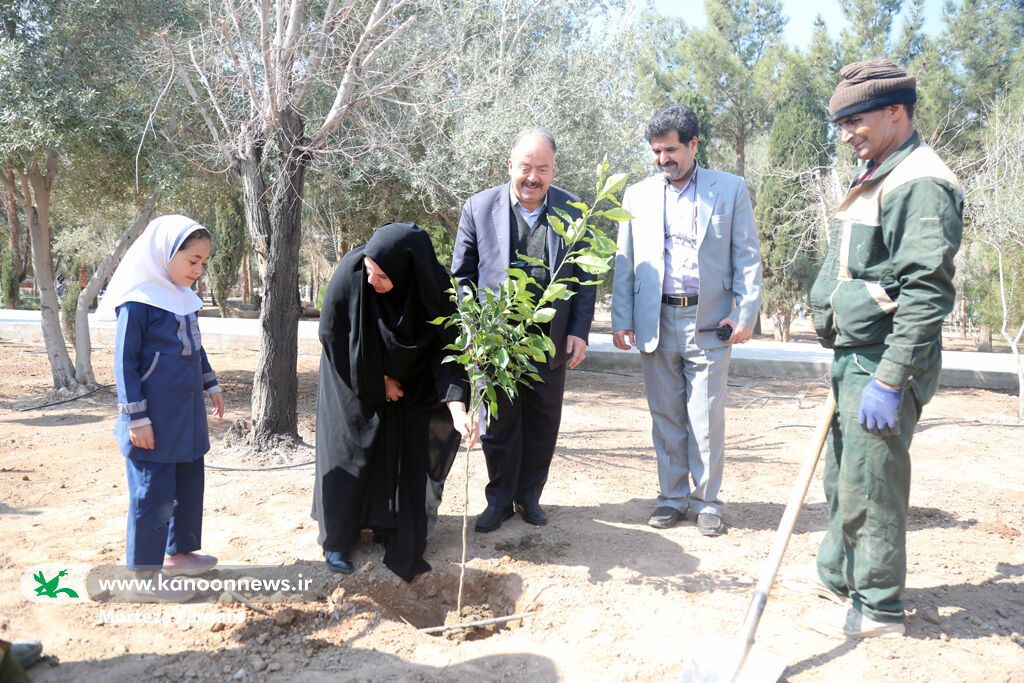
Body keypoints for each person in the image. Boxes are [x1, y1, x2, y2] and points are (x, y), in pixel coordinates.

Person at [805, 59, 963, 639]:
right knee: (846, 479)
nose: (847, 135)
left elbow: (926, 291)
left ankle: (877, 610)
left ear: (896, 111)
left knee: (872, 485)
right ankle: (848, 585)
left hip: (881, 360)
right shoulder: (881, 168)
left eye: (856, 121)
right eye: (841, 124)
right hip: (857, 356)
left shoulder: (920, 180)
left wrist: (892, 377)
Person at [611, 105, 762, 537]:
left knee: (706, 417)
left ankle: (707, 502)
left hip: (710, 321)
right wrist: (622, 318)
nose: (663, 159)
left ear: (694, 144)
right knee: (666, 417)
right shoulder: (637, 196)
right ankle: (672, 499)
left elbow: (747, 256)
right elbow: (626, 262)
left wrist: (745, 312)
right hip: (655, 319)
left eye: (671, 150)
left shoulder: (730, 189)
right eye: (657, 152)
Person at [451, 127, 596, 533]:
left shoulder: (573, 209)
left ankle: (529, 496)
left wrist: (580, 330)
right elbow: (462, 276)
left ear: (554, 170)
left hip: (549, 340)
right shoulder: (478, 208)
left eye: (543, 169)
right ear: (510, 166)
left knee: (542, 421)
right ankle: (498, 500)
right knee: (498, 424)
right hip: (497, 341)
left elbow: (585, 278)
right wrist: (473, 327)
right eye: (526, 168)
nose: (533, 177)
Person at [313, 222, 474, 582]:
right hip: (349, 373)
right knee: (349, 451)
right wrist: (377, 382)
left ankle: (388, 526)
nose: (373, 281)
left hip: (410, 380)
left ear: (407, 272)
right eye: (370, 271)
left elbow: (447, 353)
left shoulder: (435, 289)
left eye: (383, 276)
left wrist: (457, 407)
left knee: (397, 449)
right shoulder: (353, 272)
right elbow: (331, 334)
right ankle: (337, 540)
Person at [97, 214, 225, 602]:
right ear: (165, 254)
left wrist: (211, 382)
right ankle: (144, 576)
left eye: (203, 263)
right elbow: (125, 363)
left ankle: (179, 553)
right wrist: (136, 417)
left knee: (187, 483)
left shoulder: (185, 300)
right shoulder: (137, 301)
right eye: (192, 261)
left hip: (185, 416)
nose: (198, 271)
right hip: (151, 419)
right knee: (152, 493)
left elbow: (195, 346)